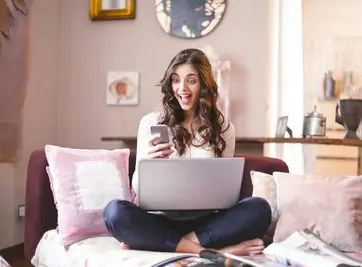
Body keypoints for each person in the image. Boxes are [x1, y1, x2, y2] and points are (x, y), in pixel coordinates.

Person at [103, 48, 271, 256]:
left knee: (260, 208)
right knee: (115, 213)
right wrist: (150, 161)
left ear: (204, 84)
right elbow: (138, 191)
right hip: (161, 219)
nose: (182, 88)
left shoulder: (224, 128)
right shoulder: (150, 123)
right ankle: (212, 251)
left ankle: (176, 244)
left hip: (206, 223)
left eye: (191, 80)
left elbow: (227, 194)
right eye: (175, 80)